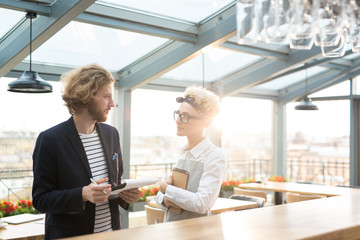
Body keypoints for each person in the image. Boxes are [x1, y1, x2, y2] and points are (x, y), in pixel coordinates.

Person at [32, 63, 140, 239]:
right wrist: (82, 194)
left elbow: (114, 182)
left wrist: (124, 195)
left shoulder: (111, 133)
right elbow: (40, 200)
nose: (112, 103)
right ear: (86, 96)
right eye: (106, 96)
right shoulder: (51, 139)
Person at [155, 86, 227, 222]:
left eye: (185, 116)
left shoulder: (214, 156)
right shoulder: (183, 151)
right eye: (178, 114)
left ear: (206, 122)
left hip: (196, 232)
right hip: (171, 229)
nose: (178, 120)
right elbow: (160, 197)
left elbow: (201, 204)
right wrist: (166, 200)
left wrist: (167, 189)